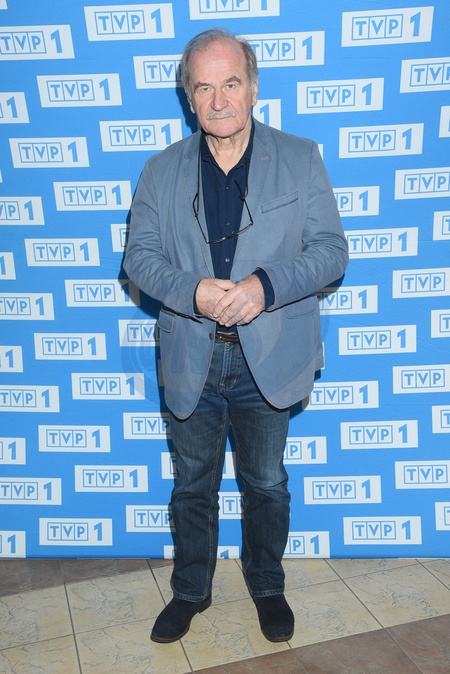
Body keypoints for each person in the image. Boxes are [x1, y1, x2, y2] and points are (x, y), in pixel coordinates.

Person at [123, 27, 348, 644]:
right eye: (204, 88)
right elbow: (139, 258)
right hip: (191, 357)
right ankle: (190, 590)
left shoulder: (300, 157)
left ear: (253, 88)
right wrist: (191, 291)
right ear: (188, 97)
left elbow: (331, 252)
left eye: (231, 84)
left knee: (266, 484)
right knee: (192, 486)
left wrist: (264, 287)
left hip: (270, 357)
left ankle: (267, 585)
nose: (219, 100)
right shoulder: (159, 170)